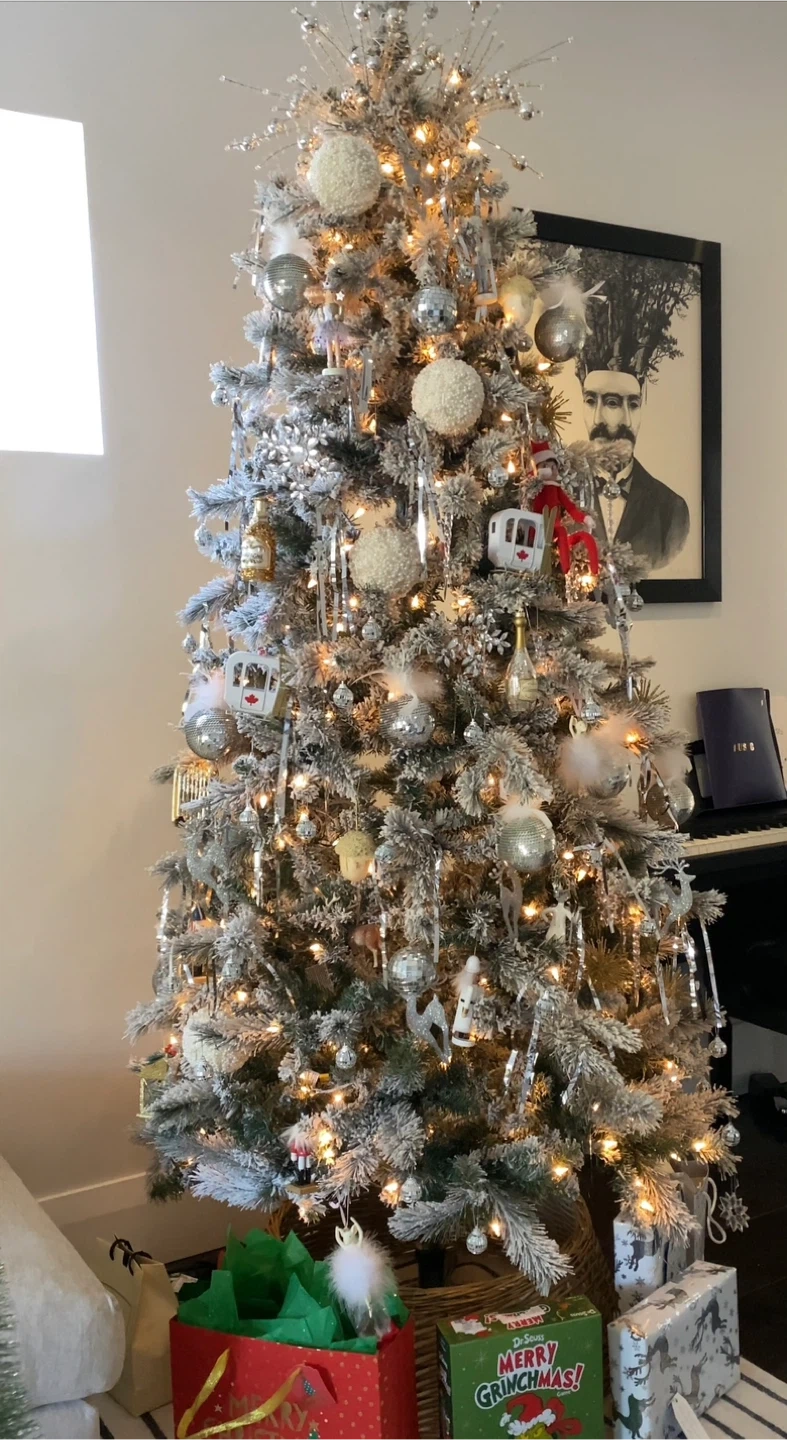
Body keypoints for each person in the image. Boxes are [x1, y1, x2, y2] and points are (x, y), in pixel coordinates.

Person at [582, 367, 689, 570]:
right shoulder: (558, 500)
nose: (626, 422)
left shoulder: (672, 510)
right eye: (590, 401)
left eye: (633, 404)